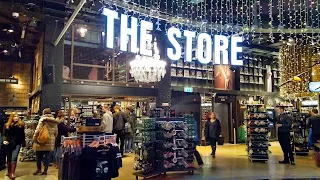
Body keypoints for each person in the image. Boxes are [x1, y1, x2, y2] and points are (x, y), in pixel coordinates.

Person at [33, 108, 59, 175]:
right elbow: (56, 133)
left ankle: (39, 169)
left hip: (41, 140)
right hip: (50, 141)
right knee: (47, 156)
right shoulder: (54, 121)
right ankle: (45, 171)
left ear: (44, 113)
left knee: (38, 156)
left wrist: (34, 139)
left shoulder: (42, 120)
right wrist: (52, 138)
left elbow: (38, 130)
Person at [2, 113, 25, 179]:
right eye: (14, 116)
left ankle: (12, 173)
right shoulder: (7, 125)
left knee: (14, 158)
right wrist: (4, 140)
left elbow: (23, 135)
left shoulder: (21, 125)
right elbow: (4, 134)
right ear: (11, 117)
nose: (16, 117)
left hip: (17, 143)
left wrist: (23, 142)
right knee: (9, 158)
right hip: (8, 143)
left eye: (17, 116)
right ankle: (9, 171)